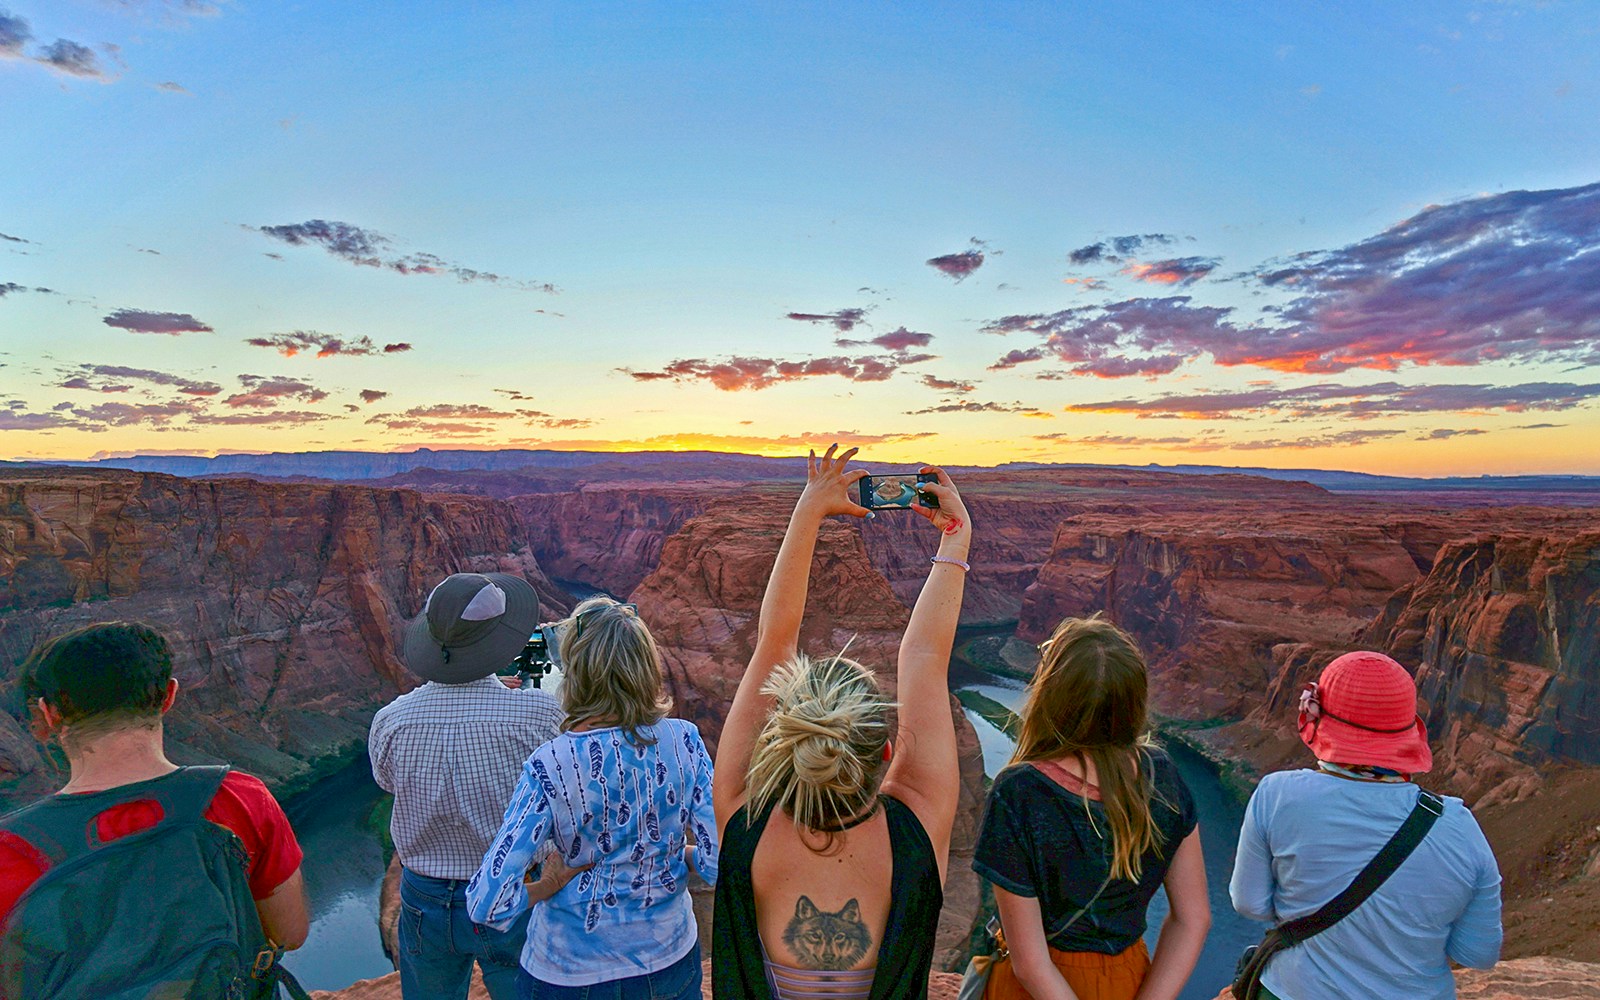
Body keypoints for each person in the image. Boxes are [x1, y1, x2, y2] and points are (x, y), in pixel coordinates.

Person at [712, 446, 971, 999]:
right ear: (886, 753)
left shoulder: (743, 817)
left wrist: (808, 510)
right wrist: (955, 540)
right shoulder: (918, 828)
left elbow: (774, 644)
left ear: (784, 745)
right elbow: (924, 655)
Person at [0, 621, 309, 998]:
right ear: (168, 696)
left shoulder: (9, 849)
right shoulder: (240, 798)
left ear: (50, 714)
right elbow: (289, 934)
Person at [466, 597, 717, 1000]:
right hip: (667, 965)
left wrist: (547, 886)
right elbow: (716, 859)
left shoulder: (549, 764)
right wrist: (671, 849)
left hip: (567, 973)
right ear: (645, 666)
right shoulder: (684, 740)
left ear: (577, 672)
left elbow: (487, 903)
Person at [1229, 650, 1502, 1000]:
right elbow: (1477, 954)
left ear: (1317, 722)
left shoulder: (1277, 794)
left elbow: (1249, 904)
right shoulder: (1460, 826)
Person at [972, 615, 1208, 1000]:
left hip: (1039, 989)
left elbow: (1030, 963)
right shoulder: (1161, 774)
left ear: (1052, 694)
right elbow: (1193, 919)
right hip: (1128, 979)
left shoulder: (1020, 791)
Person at [370, 572, 564, 1000]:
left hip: (424, 899)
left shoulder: (391, 720)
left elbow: (386, 781)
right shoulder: (536, 714)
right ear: (498, 642)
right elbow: (561, 786)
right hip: (511, 892)